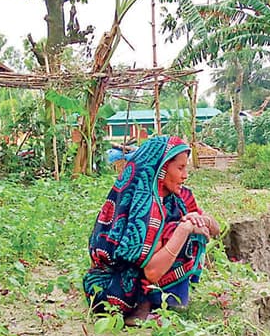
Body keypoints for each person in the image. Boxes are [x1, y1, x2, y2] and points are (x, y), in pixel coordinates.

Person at [83, 135, 220, 324]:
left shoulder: (177, 198)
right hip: (114, 289)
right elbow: (152, 273)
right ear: (162, 169)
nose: (185, 175)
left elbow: (216, 229)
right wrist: (184, 229)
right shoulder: (144, 206)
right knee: (176, 231)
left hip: (136, 280)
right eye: (180, 168)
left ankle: (159, 302)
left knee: (183, 229)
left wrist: (201, 220)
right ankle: (144, 306)